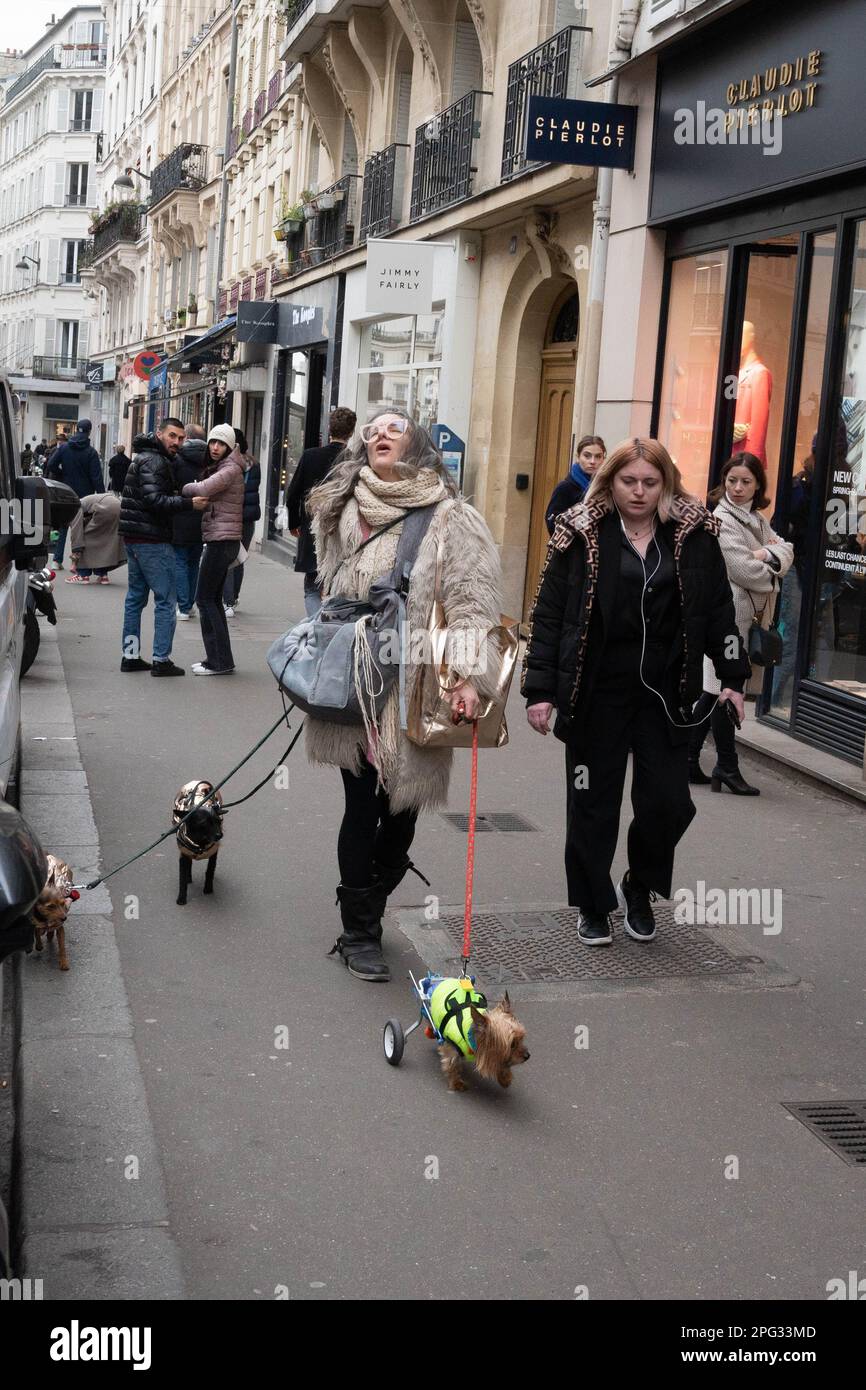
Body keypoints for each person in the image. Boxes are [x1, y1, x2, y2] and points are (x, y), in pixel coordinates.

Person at [522, 437, 749, 948]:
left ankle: (638, 884)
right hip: (595, 690)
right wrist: (540, 690)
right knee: (591, 802)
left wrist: (733, 680)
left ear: (666, 483)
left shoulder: (694, 536)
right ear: (610, 481)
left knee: (668, 803)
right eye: (630, 482)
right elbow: (549, 616)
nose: (641, 492)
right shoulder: (579, 534)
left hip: (666, 694)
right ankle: (592, 903)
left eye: (651, 482)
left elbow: (717, 611)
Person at [306, 408, 502, 982]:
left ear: (416, 443)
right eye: (373, 428)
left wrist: (468, 673)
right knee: (361, 804)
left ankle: (376, 890)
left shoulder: (450, 516)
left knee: (403, 809)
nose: (381, 434)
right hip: (356, 682)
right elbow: (329, 583)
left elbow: (472, 598)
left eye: (395, 426)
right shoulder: (342, 503)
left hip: (416, 684)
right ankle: (359, 931)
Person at [689, 452, 793, 794]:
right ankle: (726, 766)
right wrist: (771, 564)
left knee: (714, 690)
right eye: (731, 480)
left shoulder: (756, 519)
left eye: (745, 481)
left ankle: (691, 760)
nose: (737, 488)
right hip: (730, 616)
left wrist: (766, 555)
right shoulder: (723, 518)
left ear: (758, 485)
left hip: (744, 613)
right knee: (724, 690)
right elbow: (743, 570)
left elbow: (787, 549)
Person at [118, 418, 207, 677]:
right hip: (152, 539)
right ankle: (161, 659)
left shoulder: (145, 456)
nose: (177, 442)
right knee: (166, 600)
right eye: (172, 436)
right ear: (160, 434)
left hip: (136, 538)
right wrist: (189, 503)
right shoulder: (155, 461)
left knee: (135, 599)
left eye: (181, 438)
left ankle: (131, 655)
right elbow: (155, 500)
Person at [181, 424, 244, 675]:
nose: (215, 447)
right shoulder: (227, 467)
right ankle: (219, 659)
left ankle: (218, 662)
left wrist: (187, 487)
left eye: (220, 443)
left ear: (229, 446)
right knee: (212, 599)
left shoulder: (230, 468)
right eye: (212, 442)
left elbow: (203, 489)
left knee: (205, 598)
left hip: (222, 539)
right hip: (222, 538)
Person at [287, 406, 357, 617]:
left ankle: (315, 625)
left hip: (313, 527)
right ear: (352, 432)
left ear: (329, 429)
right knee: (337, 584)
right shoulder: (355, 461)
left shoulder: (310, 456)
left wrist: (294, 522)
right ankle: (328, 623)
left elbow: (293, 493)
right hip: (343, 529)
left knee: (312, 586)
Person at [46, 420, 103, 568]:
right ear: (89, 431)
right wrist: (102, 496)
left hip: (66, 492)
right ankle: (79, 563)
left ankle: (57, 560)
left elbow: (51, 464)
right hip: (86, 495)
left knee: (64, 526)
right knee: (83, 529)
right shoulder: (91, 452)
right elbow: (97, 477)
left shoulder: (64, 448)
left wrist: (62, 475)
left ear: (77, 429)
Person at [222, 427, 261, 616]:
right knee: (239, 558)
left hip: (231, 514)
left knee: (228, 557)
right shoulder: (254, 464)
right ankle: (234, 597)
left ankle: (227, 601)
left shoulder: (229, 464)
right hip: (248, 518)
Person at [172, 424, 207, 621]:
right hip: (202, 518)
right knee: (194, 562)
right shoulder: (209, 462)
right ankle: (190, 604)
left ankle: (183, 606)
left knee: (180, 561)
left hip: (180, 516)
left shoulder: (177, 460)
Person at [545, 435, 606, 535]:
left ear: (604, 459)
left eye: (598, 456)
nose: (592, 461)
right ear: (578, 457)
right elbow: (552, 523)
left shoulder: (608, 488)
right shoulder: (565, 488)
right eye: (587, 456)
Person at [66, 490, 127, 584]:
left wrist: (76, 551)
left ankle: (83, 575)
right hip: (118, 506)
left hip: (104, 507)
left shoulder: (74, 508)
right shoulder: (84, 501)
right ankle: (103, 575)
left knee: (84, 539)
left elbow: (76, 533)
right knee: (105, 542)